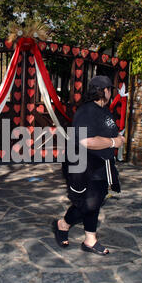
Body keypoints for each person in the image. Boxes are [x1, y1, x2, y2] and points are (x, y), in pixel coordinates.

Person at [54, 75, 126, 256]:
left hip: (101, 165)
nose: (111, 92)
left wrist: (115, 140)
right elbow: (87, 141)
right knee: (88, 203)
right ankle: (63, 224)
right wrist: (113, 142)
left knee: (96, 201)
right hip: (84, 165)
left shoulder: (105, 110)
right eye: (110, 89)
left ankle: (90, 239)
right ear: (103, 91)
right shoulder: (86, 112)